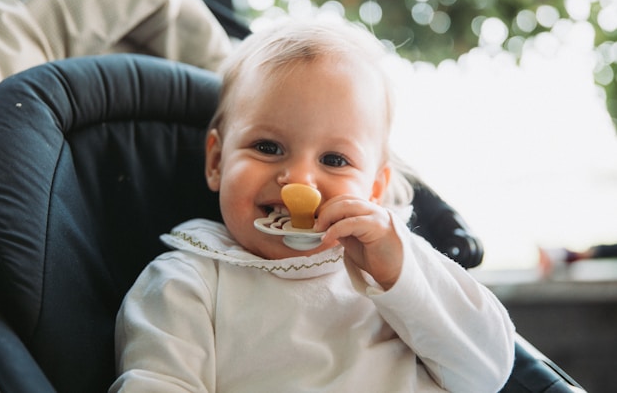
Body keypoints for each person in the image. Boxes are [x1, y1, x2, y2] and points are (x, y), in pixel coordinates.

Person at [110, 20, 516, 392]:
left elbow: (487, 373)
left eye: (335, 160)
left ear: (375, 189)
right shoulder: (188, 282)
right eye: (268, 147)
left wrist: (401, 272)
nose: (299, 183)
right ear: (216, 162)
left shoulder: (395, 266)